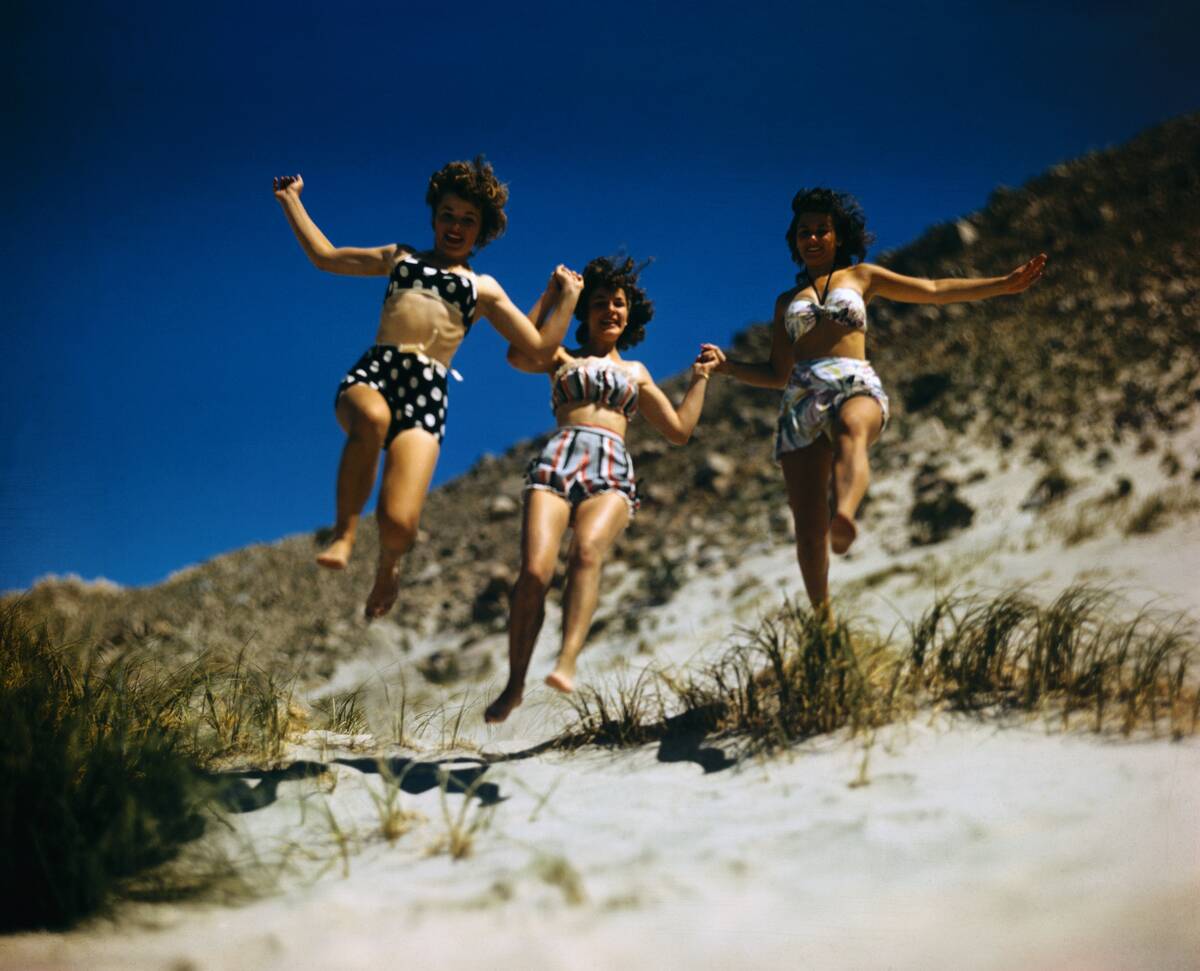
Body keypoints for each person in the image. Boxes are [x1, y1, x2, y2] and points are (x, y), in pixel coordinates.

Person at [703, 188, 1045, 613]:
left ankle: (844, 513)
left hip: (852, 380)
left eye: (821, 231)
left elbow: (935, 288)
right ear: (795, 241)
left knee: (852, 430)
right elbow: (777, 373)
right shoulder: (785, 303)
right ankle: (823, 625)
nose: (812, 239)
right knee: (808, 531)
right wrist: (729, 366)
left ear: (837, 236)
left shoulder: (862, 277)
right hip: (801, 396)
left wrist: (1002, 285)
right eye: (804, 233)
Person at [273, 158, 576, 618]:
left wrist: (563, 298)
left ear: (482, 231)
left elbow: (536, 344)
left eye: (468, 220)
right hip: (376, 372)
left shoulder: (483, 288)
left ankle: (387, 567)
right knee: (371, 420)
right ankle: (344, 534)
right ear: (434, 217)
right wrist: (291, 200)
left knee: (399, 522)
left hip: (428, 393)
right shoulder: (401, 258)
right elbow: (325, 256)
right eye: (449, 215)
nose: (456, 226)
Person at [484, 257, 724, 723]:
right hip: (558, 458)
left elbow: (677, 430)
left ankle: (567, 659)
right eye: (600, 303)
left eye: (618, 303)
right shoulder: (561, 357)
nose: (610, 310)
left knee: (587, 552)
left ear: (629, 315)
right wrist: (553, 295)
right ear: (585, 313)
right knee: (534, 571)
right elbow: (518, 353)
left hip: (610, 464)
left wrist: (699, 381)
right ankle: (515, 684)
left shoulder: (636, 372)